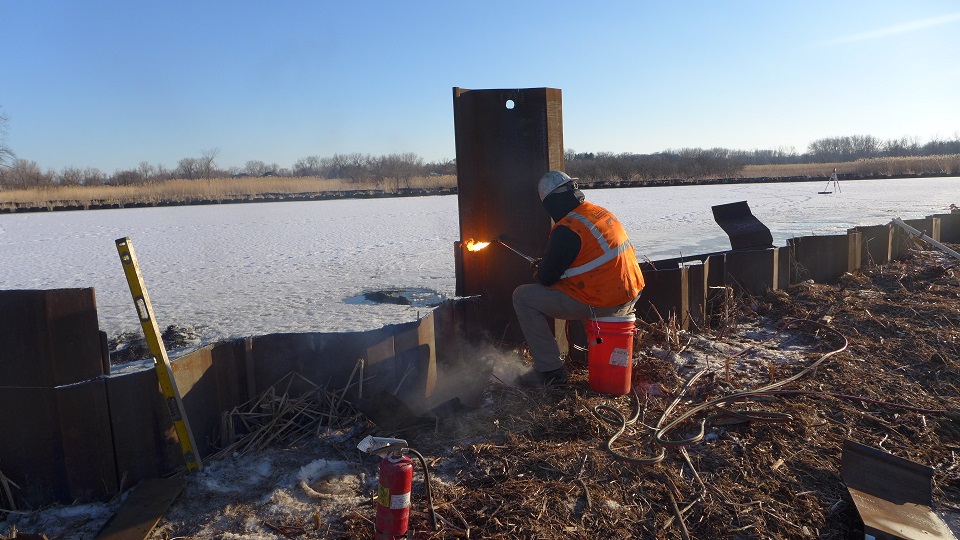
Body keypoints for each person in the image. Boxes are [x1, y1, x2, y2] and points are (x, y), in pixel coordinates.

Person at [512, 171, 645, 386]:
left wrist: (540, 268)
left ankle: (550, 371)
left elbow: (546, 278)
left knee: (522, 297)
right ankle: (597, 360)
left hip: (606, 302)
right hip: (630, 293)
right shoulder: (597, 213)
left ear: (551, 202)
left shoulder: (568, 229)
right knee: (577, 291)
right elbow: (588, 259)